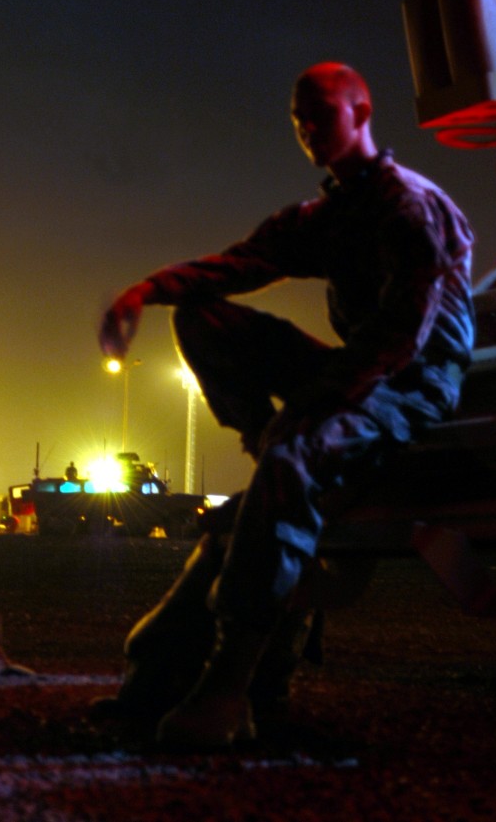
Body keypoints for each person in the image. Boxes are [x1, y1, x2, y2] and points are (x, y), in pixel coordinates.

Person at [98, 61, 475, 749]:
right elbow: (238, 263)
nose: (307, 131)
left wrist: (309, 408)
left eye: (321, 115)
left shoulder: (407, 207)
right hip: (358, 372)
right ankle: (264, 443)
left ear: (361, 112)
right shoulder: (330, 216)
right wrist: (146, 292)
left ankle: (226, 687)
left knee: (294, 462)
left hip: (414, 386)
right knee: (199, 315)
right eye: (298, 119)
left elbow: (403, 335)